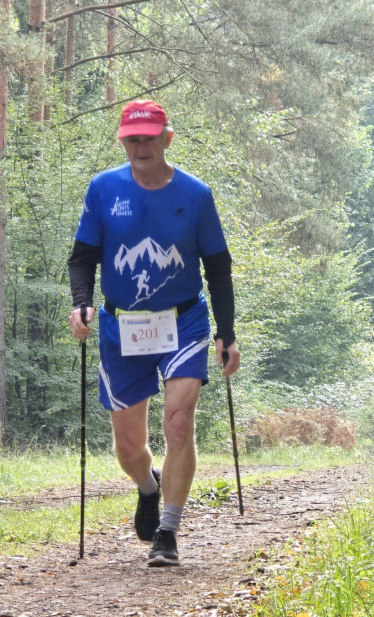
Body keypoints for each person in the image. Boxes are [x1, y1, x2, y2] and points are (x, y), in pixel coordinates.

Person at [68, 99, 240, 567]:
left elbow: (218, 268)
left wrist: (226, 332)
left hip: (183, 320)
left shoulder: (196, 194)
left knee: (179, 422)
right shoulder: (103, 189)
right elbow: (83, 257)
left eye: (149, 137)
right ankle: (149, 486)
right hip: (121, 323)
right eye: (132, 138)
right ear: (123, 140)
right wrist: (81, 302)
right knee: (127, 446)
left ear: (167, 138)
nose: (140, 146)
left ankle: (168, 530)